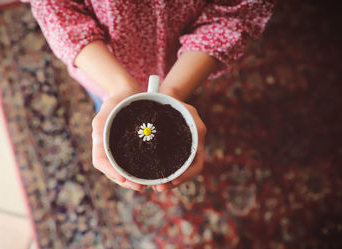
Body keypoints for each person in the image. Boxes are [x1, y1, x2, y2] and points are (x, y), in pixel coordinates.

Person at [28, 0, 274, 192]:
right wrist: (119, 88)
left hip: (180, 54)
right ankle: (106, 99)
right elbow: (55, 8)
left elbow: (235, 11)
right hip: (104, 62)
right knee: (107, 103)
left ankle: (162, 94)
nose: (146, 133)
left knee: (163, 111)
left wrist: (174, 90)